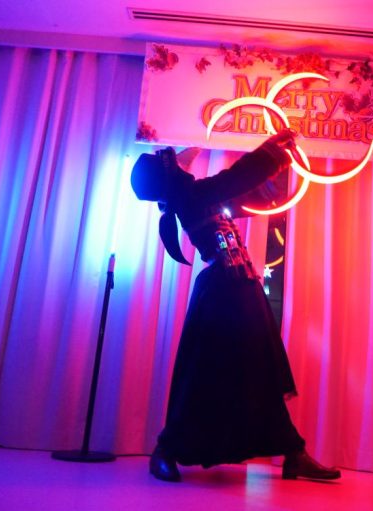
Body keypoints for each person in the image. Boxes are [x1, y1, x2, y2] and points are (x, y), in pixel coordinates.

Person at [130, 129, 340, 482]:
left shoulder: (197, 195)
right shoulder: (191, 196)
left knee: (261, 371)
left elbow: (245, 193)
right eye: (173, 167)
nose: (181, 166)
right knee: (204, 373)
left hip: (241, 287)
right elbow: (235, 179)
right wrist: (272, 149)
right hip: (221, 293)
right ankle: (166, 449)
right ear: (168, 179)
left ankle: (293, 452)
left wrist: (273, 175)